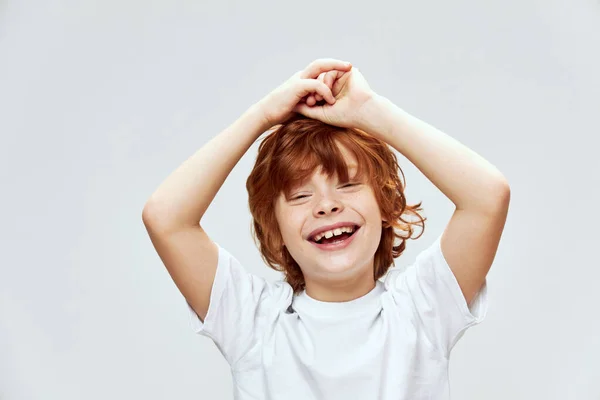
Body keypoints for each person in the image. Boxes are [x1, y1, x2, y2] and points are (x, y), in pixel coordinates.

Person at [142, 58, 510, 400]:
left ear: (386, 203)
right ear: (274, 228)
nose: (327, 205)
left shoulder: (422, 309)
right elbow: (166, 218)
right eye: (300, 196)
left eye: (348, 185)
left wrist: (370, 110)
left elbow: (487, 197)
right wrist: (262, 115)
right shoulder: (254, 321)